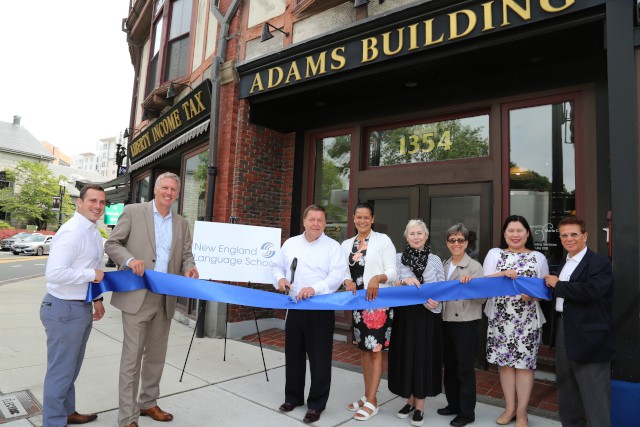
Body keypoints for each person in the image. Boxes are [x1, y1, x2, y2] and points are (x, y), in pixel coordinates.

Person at [105, 172, 199, 427]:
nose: (169, 192)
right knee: (132, 358)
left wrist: (189, 268)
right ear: (155, 190)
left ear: (177, 194)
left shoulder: (182, 223)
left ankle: (148, 402)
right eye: (165, 188)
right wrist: (129, 259)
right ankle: (127, 417)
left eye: (173, 189)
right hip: (137, 296)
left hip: (165, 298)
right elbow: (112, 244)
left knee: (156, 356)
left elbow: (186, 255)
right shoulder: (134, 212)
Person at [272, 204, 347, 424]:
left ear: (325, 223)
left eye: (320, 220)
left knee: (320, 359)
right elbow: (275, 266)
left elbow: (336, 276)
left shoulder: (333, 247)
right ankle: (293, 398)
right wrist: (280, 279)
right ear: (304, 221)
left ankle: (316, 404)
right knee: (293, 355)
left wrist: (315, 289)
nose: (316, 224)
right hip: (295, 307)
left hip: (320, 309)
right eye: (312, 219)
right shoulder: (290, 243)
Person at [40, 184, 107, 426]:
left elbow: (90, 269)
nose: (98, 206)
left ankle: (66, 412)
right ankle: (54, 421)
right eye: (92, 201)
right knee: (61, 372)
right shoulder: (72, 231)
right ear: (79, 202)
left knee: (71, 369)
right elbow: (55, 274)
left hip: (80, 306)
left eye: (102, 202)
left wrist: (97, 300)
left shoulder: (93, 233)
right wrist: (91, 275)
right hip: (63, 309)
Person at [544, 217, 614, 427]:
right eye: (564, 235)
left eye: (574, 234)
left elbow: (593, 291)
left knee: (594, 395)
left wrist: (558, 285)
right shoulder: (565, 261)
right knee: (567, 392)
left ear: (585, 236)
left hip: (590, 336)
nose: (569, 239)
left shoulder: (599, 262)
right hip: (564, 329)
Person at [483, 215, 549, 427]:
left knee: (525, 367)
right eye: (511, 230)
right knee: (505, 366)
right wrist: (503, 273)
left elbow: (545, 290)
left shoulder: (538, 257)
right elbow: (484, 283)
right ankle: (510, 408)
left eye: (520, 230)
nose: (515, 234)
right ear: (504, 234)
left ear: (527, 233)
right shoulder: (495, 254)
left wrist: (534, 295)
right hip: (501, 319)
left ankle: (522, 412)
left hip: (527, 320)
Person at [341, 203, 397, 421]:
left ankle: (372, 401)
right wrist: (346, 279)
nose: (362, 221)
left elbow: (392, 271)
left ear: (373, 219)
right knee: (364, 351)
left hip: (378, 304)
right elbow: (343, 270)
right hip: (358, 305)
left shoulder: (383, 240)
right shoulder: (347, 243)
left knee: (375, 351)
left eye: (366, 217)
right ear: (353, 219)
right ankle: (367, 396)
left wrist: (377, 278)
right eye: (358, 217)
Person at [388, 219, 445, 427]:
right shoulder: (397, 259)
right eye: (412, 233)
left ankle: (420, 405)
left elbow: (442, 289)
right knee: (406, 357)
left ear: (426, 236)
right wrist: (404, 282)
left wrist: (435, 302)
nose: (416, 237)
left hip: (427, 316)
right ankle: (409, 401)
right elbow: (390, 283)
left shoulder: (436, 260)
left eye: (420, 233)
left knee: (423, 358)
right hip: (404, 315)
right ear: (406, 236)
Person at [438, 224, 485, 427]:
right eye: (452, 240)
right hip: (445, 321)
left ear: (466, 243)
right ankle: (453, 405)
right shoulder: (443, 264)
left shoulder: (475, 267)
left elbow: (482, 299)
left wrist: (471, 286)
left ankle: (467, 413)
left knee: (464, 369)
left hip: (465, 323)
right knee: (449, 367)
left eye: (460, 240)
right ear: (447, 243)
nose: (456, 244)